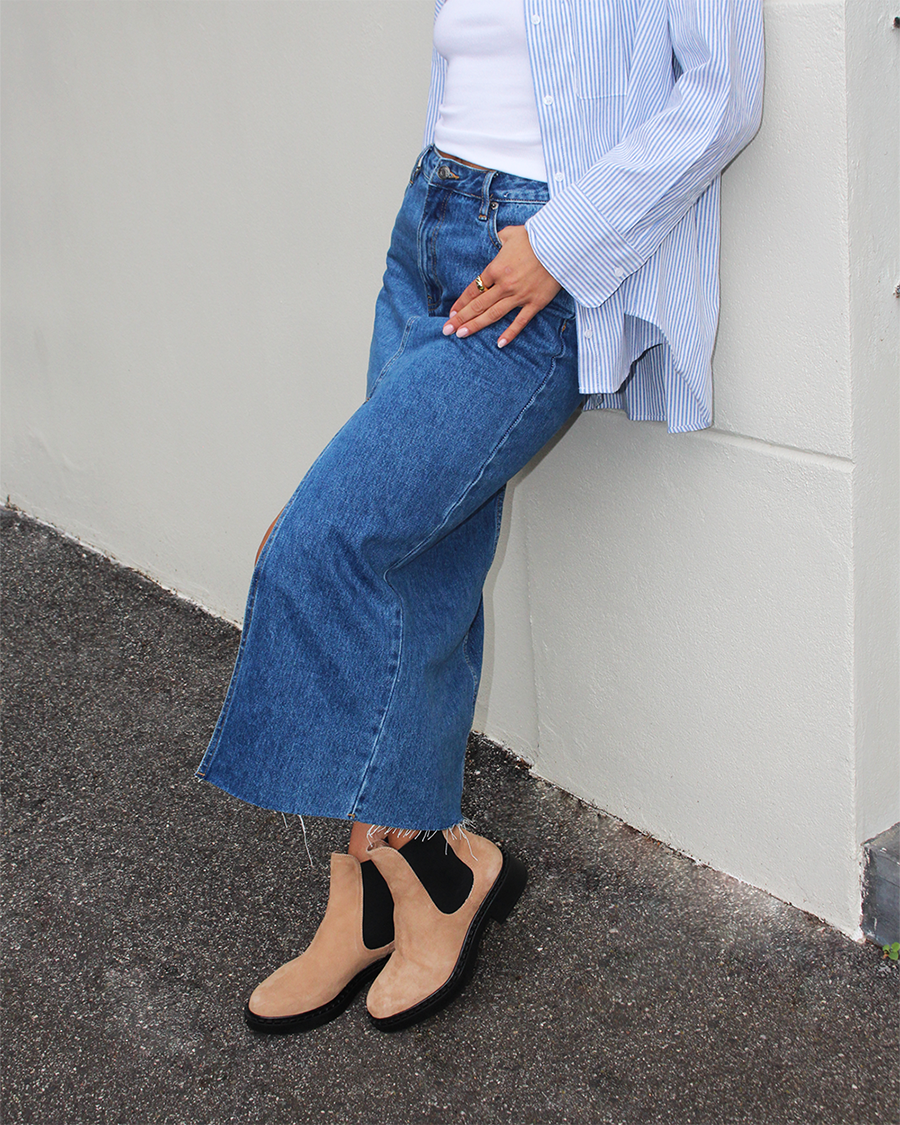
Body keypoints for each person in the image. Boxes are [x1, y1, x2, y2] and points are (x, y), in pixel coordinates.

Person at [197, 0, 764, 1034]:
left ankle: (443, 872)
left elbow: (721, 96)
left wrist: (560, 243)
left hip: (534, 258)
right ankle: (371, 894)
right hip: (430, 222)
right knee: (415, 569)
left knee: (317, 543)